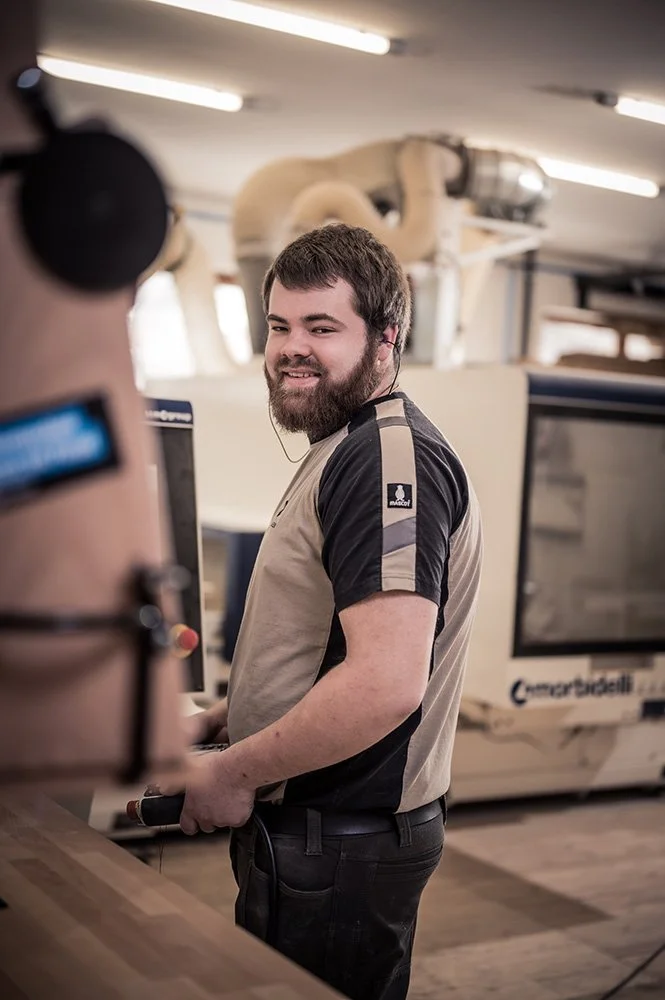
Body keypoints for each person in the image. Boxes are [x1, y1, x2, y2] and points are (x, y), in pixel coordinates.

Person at [177, 223, 483, 1000]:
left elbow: (384, 683)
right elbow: (324, 643)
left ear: (386, 339)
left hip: (340, 838)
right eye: (279, 326)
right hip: (315, 832)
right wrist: (225, 718)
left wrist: (235, 772)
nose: (290, 348)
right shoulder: (341, 445)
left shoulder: (384, 461)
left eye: (321, 327)